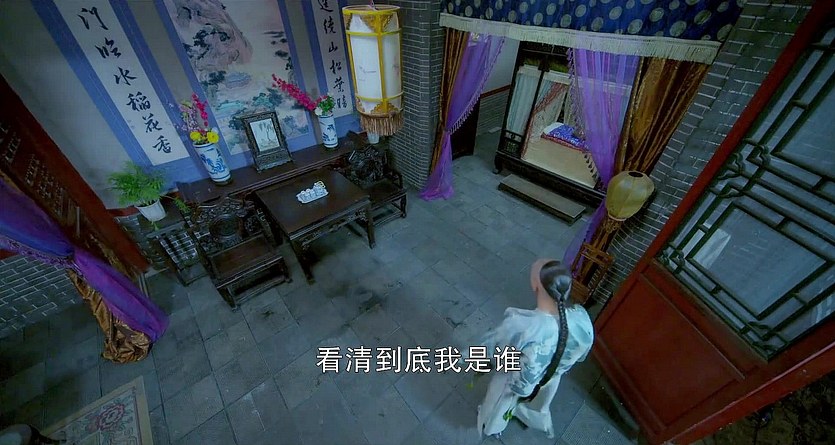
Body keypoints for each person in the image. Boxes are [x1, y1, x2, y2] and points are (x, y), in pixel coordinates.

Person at [475, 259, 594, 439]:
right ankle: (528, 415)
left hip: (518, 380)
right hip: (551, 376)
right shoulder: (582, 321)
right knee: (537, 398)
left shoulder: (522, 325)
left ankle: (492, 426)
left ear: (535, 285)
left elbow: (496, 351)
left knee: (499, 402)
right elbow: (580, 356)